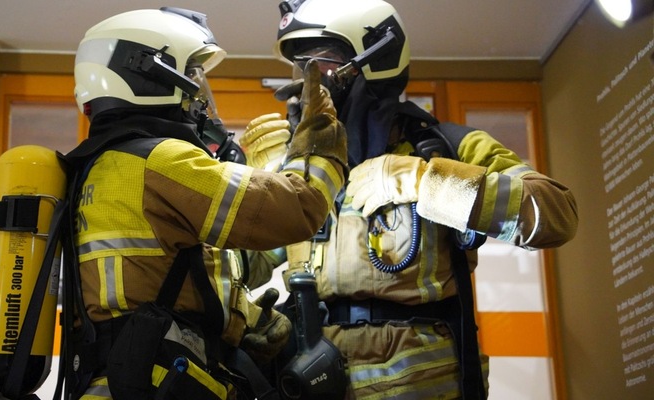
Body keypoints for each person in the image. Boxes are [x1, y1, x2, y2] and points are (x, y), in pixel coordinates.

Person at [240, 0, 579, 398]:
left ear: (372, 62)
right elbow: (251, 267)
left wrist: (429, 181)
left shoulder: (445, 147)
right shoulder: (310, 174)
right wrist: (257, 200)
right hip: (318, 377)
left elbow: (557, 214)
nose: (310, 82)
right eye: (302, 67)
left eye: (322, 62)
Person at [62, 7, 348, 400]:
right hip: (158, 380)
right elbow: (301, 207)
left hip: (124, 380)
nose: (199, 93)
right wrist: (320, 133)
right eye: (193, 73)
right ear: (148, 73)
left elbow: (174, 270)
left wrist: (238, 319)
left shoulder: (95, 169)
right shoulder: (162, 161)